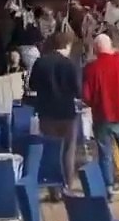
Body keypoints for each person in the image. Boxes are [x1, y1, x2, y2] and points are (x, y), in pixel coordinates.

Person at [82, 34, 119, 193]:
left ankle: (109, 187)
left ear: (95, 49)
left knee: (105, 154)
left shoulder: (91, 68)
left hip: (101, 117)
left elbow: (86, 97)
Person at [28, 31, 81, 194]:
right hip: (66, 113)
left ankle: (53, 188)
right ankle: (68, 186)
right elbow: (78, 90)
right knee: (68, 151)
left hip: (46, 112)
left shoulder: (41, 62)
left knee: (51, 150)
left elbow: (32, 85)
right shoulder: (69, 64)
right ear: (67, 45)